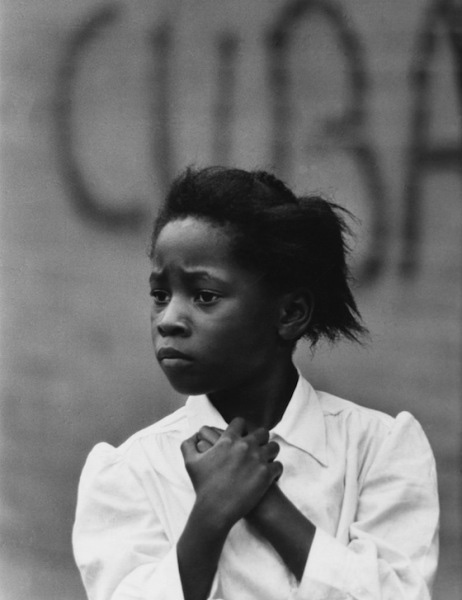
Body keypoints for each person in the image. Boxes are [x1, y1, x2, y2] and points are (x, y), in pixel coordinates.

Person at [73, 167, 439, 600]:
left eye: (204, 295)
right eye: (160, 294)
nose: (168, 319)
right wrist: (209, 516)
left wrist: (265, 501)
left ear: (289, 313)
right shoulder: (127, 473)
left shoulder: (377, 450)